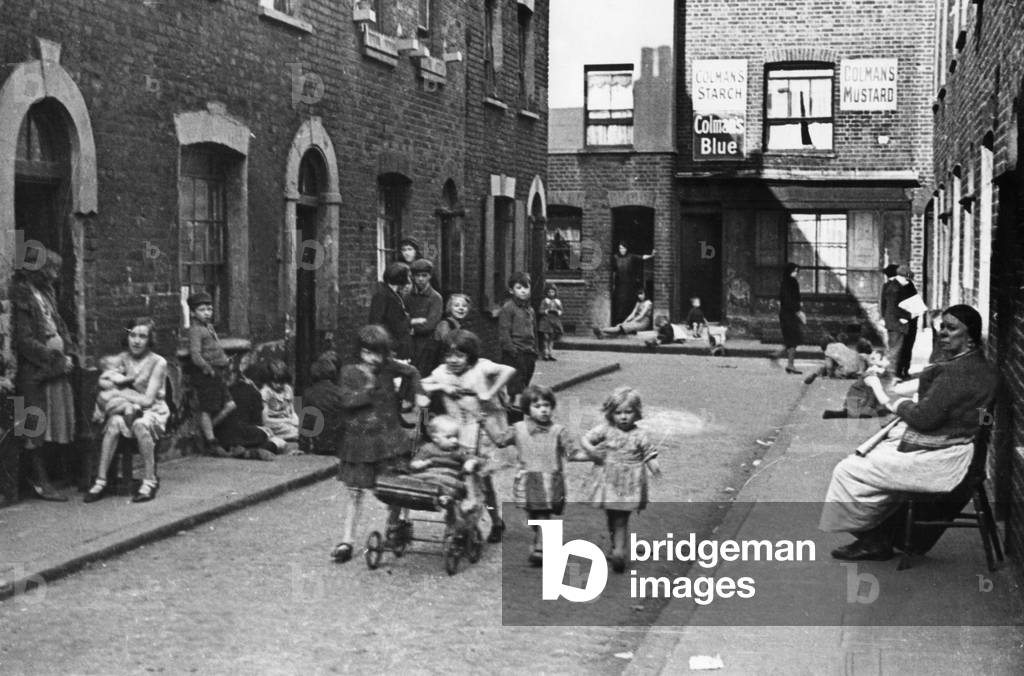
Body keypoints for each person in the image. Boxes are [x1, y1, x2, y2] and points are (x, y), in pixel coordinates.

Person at [819, 305, 998, 561]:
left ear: (969, 335)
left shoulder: (956, 373)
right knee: (878, 453)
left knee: (848, 470)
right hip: (961, 447)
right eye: (941, 327)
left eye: (951, 328)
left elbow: (923, 419)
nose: (943, 334)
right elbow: (958, 410)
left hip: (947, 459)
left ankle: (875, 539)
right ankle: (880, 537)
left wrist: (899, 403)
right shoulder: (980, 367)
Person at [330, 325, 426, 564]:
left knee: (393, 487)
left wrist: (419, 394)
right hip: (359, 442)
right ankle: (347, 541)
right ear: (360, 352)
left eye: (379, 353)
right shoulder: (349, 372)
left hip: (388, 440)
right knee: (355, 492)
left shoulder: (387, 367)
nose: (374, 359)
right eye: (368, 353)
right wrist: (368, 390)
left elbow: (412, 371)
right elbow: (346, 401)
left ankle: (394, 525)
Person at [421, 329, 516, 543]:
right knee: (456, 481)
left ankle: (495, 520)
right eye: (449, 355)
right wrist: (442, 385)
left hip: (481, 433)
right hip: (456, 433)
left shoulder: (481, 367)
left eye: (460, 355)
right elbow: (421, 384)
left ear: (470, 356)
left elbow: (508, 370)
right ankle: (458, 524)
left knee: (482, 481)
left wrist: (489, 394)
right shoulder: (442, 372)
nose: (453, 360)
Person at [481, 385, 586, 566]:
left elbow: (572, 454)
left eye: (547, 405)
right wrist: (486, 424)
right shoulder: (518, 429)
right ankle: (542, 537)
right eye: (537, 406)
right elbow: (500, 441)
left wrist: (595, 455)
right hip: (527, 479)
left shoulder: (559, 431)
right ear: (527, 409)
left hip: (550, 480)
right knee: (534, 516)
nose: (544, 409)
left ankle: (541, 547)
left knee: (542, 514)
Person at [12, 246, 77, 501]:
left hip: (54, 372)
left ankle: (51, 475)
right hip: (34, 373)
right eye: (52, 270)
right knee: (32, 426)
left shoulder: (46, 293)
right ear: (37, 269)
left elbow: (59, 325)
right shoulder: (22, 295)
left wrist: (68, 352)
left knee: (51, 424)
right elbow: (24, 341)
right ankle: (38, 481)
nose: (55, 276)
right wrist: (55, 359)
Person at [85, 318, 170, 503]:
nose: (137, 341)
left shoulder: (158, 362)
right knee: (114, 423)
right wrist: (110, 385)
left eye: (142, 336)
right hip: (129, 409)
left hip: (153, 411)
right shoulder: (122, 359)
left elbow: (148, 399)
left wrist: (119, 392)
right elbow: (106, 380)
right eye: (133, 335)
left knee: (140, 424)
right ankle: (101, 480)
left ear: (150, 340)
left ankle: (149, 481)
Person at [579, 386, 661, 573]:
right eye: (618, 413)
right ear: (611, 413)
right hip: (609, 479)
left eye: (628, 412)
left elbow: (648, 453)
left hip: (629, 482)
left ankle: (619, 550)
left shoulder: (639, 434)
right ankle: (616, 544)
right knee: (611, 515)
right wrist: (591, 450)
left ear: (636, 413)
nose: (623, 417)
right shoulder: (605, 430)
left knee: (621, 517)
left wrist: (655, 467)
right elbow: (586, 438)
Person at [184, 292, 236, 457]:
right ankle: (211, 440)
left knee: (230, 405)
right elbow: (195, 355)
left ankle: (203, 432)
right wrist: (208, 369)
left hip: (218, 372)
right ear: (193, 312)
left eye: (209, 309)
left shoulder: (208, 327)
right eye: (202, 310)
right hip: (207, 374)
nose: (207, 313)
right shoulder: (196, 330)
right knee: (206, 408)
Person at [215, 362, 286, 461]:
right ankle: (252, 451)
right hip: (244, 434)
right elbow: (257, 423)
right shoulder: (255, 393)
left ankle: (241, 450)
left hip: (222, 436)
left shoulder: (226, 389)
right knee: (277, 441)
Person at [497, 271, 539, 414]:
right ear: (511, 290)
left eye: (526, 288)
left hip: (528, 351)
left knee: (526, 378)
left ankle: (515, 407)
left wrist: (535, 349)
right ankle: (513, 407)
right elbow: (504, 331)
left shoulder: (530, 310)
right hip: (515, 352)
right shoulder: (508, 308)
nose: (523, 291)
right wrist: (511, 349)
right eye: (519, 288)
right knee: (515, 382)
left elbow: (533, 330)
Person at [820, 351, 895, 419]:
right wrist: (891, 408)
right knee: (882, 412)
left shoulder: (879, 372)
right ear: (876, 361)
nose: (889, 361)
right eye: (886, 359)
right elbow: (880, 394)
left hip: (862, 403)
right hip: (859, 405)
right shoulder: (871, 375)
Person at [298, 354, 346, 457]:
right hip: (340, 444)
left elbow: (307, 423)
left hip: (320, 445)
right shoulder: (340, 392)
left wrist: (303, 448)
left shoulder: (309, 393)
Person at [880, 263, 919, 379]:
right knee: (896, 350)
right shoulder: (893, 288)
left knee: (904, 348)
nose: (908, 281)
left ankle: (901, 372)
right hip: (899, 323)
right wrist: (909, 315)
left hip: (907, 323)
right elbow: (892, 307)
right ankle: (893, 373)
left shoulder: (906, 286)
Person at [368, 262, 412, 361]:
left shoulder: (396, 295)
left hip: (399, 348)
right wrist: (391, 346)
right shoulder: (382, 296)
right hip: (392, 350)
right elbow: (376, 323)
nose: (409, 279)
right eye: (408, 276)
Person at [406, 258, 443, 376]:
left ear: (430, 276)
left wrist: (410, 327)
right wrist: (412, 322)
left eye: (424, 275)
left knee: (422, 374)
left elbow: (430, 324)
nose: (421, 279)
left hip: (427, 344)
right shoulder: (407, 297)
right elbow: (402, 318)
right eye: (417, 276)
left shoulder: (435, 298)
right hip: (409, 343)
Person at [768, 262, 806, 374]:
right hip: (790, 314)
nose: (796, 273)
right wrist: (799, 311)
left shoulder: (784, 282)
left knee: (792, 338)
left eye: (797, 271)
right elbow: (790, 300)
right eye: (794, 271)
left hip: (785, 314)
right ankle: (789, 364)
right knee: (794, 339)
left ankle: (777, 355)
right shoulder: (792, 282)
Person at [611, 243, 655, 325]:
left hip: (629, 285)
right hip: (619, 285)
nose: (621, 250)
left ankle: (626, 323)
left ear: (626, 249)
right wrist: (613, 284)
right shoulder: (615, 257)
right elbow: (613, 271)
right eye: (620, 248)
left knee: (628, 303)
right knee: (619, 303)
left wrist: (651, 255)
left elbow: (642, 257)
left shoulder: (631, 257)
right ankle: (618, 322)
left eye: (623, 248)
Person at [803, 333, 872, 385]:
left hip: (844, 371)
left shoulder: (828, 349)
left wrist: (829, 375)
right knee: (838, 364)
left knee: (824, 367)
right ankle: (855, 373)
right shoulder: (841, 345)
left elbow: (829, 366)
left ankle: (815, 374)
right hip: (857, 368)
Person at [260, 359, 300, 442]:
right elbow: (265, 420)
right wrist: (288, 421)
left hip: (287, 423)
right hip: (274, 424)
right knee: (296, 432)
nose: (279, 385)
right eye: (275, 382)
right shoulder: (265, 392)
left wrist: (296, 420)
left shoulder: (287, 389)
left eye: (282, 382)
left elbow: (291, 411)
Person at [93, 355, 139, 423]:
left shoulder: (106, 375)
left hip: (110, 400)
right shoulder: (111, 374)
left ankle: (135, 410)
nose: (122, 368)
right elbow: (119, 381)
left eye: (122, 365)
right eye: (118, 366)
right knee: (131, 402)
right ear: (107, 368)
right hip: (112, 400)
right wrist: (132, 377)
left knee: (129, 404)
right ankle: (130, 420)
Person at [538, 283, 564, 361]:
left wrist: (558, 311)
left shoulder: (557, 301)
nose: (551, 294)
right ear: (547, 293)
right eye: (549, 292)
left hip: (554, 320)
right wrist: (547, 310)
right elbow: (540, 310)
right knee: (546, 337)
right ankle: (545, 353)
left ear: (555, 293)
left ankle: (550, 353)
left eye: (552, 292)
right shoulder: (545, 301)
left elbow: (561, 310)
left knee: (551, 338)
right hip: (546, 320)